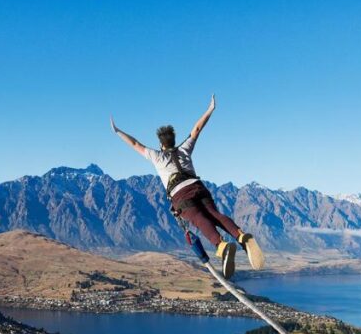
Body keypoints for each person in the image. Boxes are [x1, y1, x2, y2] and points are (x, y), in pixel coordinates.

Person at [110, 95, 263, 278]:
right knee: (215, 215)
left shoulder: (157, 157)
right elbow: (197, 129)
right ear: (174, 141)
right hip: (198, 187)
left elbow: (135, 144)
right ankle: (240, 235)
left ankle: (221, 246)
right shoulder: (184, 149)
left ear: (161, 144)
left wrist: (118, 131)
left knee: (199, 219)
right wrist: (210, 109)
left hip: (181, 195)